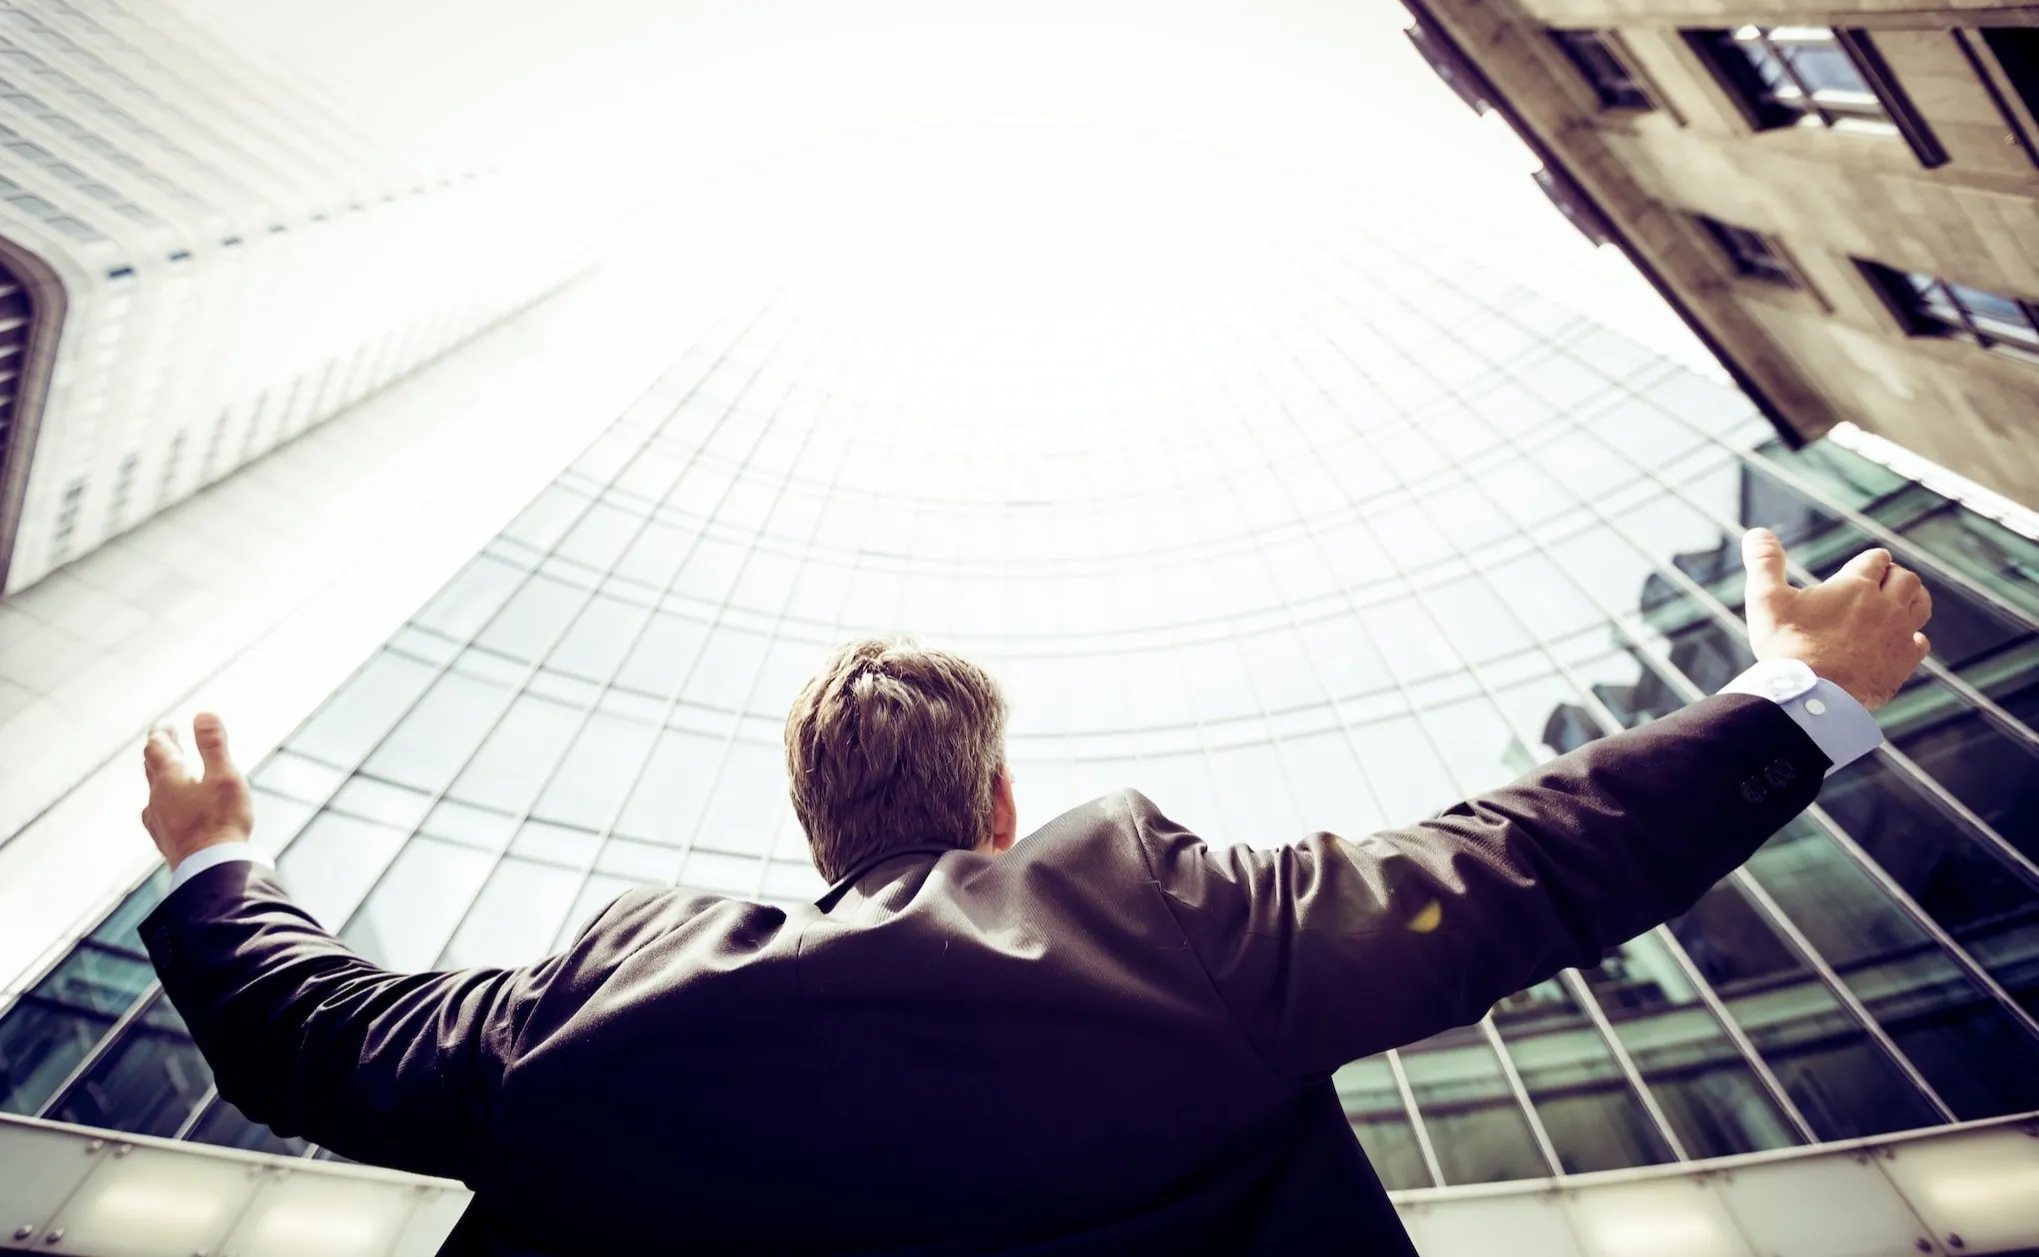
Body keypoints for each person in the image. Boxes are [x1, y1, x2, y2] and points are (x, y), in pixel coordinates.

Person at [136, 528, 1931, 1256]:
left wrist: (220, 855)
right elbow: (1512, 865)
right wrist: (1795, 694)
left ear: (813, 830)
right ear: (1000, 802)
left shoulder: (595, 1009)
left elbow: (314, 1040)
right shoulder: (1150, 912)